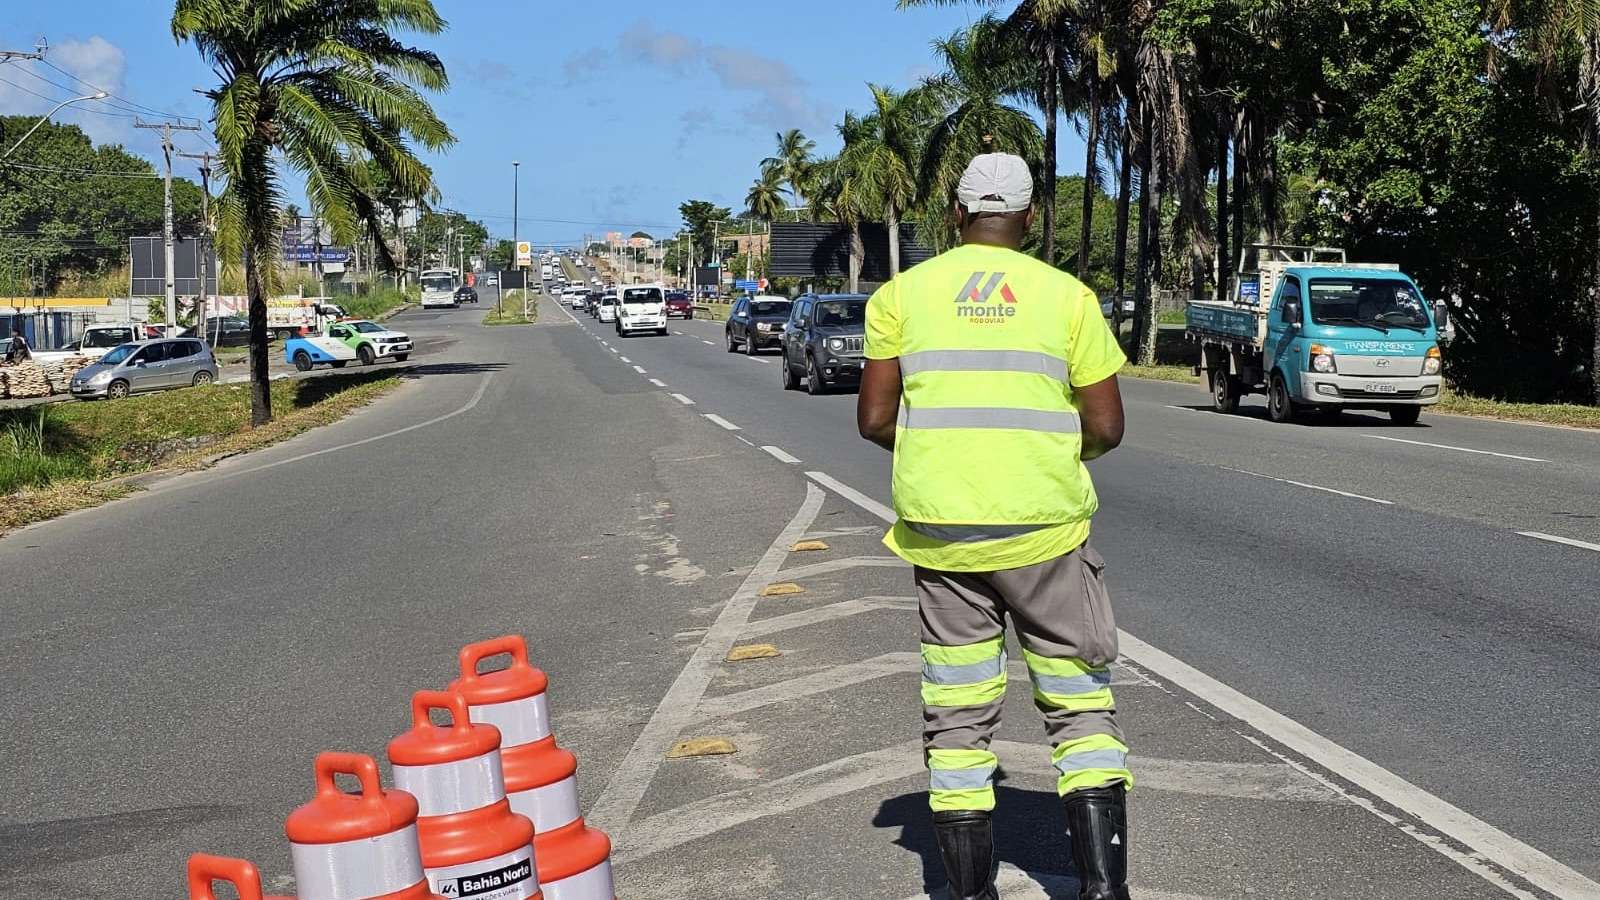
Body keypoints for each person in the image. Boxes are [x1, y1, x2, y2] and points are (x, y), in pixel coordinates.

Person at [857, 153, 1132, 900]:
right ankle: (1105, 892)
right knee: (1079, 708)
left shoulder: (903, 296)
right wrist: (1043, 452)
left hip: (943, 533)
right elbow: (1106, 424)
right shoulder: (1068, 297)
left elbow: (875, 418)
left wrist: (941, 452)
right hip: (1045, 530)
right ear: (1030, 217)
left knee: (959, 711)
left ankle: (970, 894)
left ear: (955, 214)